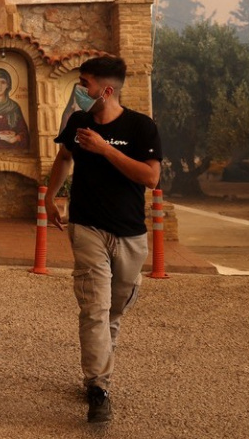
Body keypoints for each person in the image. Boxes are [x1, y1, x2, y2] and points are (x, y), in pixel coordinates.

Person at [44, 56, 161, 424]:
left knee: (113, 311)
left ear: (106, 90)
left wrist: (106, 149)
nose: (79, 90)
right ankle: (98, 387)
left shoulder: (141, 127)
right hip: (87, 228)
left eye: (85, 84)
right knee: (95, 308)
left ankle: (99, 373)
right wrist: (50, 196)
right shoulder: (78, 122)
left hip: (130, 234)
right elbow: (64, 157)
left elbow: (150, 178)